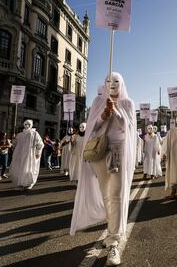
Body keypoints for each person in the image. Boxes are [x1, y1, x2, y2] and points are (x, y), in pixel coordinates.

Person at [70, 72, 137, 266]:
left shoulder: (128, 103)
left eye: (116, 81)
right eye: (109, 81)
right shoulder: (98, 101)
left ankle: (114, 241)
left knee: (116, 194)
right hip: (100, 153)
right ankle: (112, 228)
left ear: (122, 83)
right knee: (106, 195)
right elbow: (91, 127)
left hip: (119, 153)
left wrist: (114, 111)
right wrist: (103, 114)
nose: (112, 84)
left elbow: (127, 127)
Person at [10, 120, 44, 190]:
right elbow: (14, 144)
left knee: (29, 169)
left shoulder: (35, 133)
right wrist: (13, 139)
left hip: (30, 155)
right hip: (20, 155)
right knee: (20, 169)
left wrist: (38, 152)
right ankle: (21, 183)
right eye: (25, 124)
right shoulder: (20, 135)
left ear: (31, 125)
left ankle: (29, 183)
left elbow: (40, 144)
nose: (27, 125)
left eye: (28, 124)